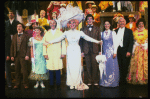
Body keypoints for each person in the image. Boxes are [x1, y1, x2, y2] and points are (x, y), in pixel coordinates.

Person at [43, 19, 101, 90]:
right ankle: (71, 83)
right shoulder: (66, 33)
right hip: (70, 50)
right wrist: (48, 42)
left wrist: (97, 41)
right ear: (69, 25)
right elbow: (58, 39)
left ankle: (76, 83)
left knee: (77, 66)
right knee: (70, 67)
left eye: (74, 23)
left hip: (77, 50)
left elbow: (88, 38)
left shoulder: (80, 32)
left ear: (76, 24)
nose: (72, 24)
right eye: (71, 23)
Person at [43, 20, 66, 90]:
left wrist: (63, 53)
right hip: (49, 53)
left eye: (54, 23)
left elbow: (63, 43)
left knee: (57, 69)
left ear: (56, 24)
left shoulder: (60, 33)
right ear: (49, 24)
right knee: (50, 69)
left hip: (57, 52)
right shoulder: (46, 34)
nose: (52, 24)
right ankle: (51, 84)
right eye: (51, 23)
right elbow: (44, 44)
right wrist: (45, 53)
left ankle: (58, 84)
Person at [79, 14, 101, 86]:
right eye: (88, 19)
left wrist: (100, 51)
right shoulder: (82, 29)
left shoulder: (97, 29)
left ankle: (95, 80)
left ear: (93, 20)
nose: (89, 20)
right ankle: (89, 80)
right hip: (86, 50)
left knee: (95, 65)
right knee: (88, 66)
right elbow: (81, 41)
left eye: (90, 19)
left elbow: (99, 40)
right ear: (86, 21)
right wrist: (81, 51)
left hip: (95, 49)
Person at [127, 18, 148, 85]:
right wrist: (138, 45)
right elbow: (134, 42)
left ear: (144, 24)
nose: (141, 25)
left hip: (145, 50)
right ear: (137, 25)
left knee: (144, 64)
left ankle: (144, 79)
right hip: (137, 49)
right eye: (139, 24)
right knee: (136, 64)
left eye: (142, 24)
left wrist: (144, 45)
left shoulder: (147, 32)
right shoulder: (135, 32)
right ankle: (137, 80)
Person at [10, 23, 30, 89]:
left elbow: (28, 47)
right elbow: (12, 46)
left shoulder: (26, 36)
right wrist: (12, 55)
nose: (18, 27)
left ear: (23, 28)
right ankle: (17, 83)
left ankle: (25, 84)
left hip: (23, 55)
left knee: (24, 71)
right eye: (17, 26)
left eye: (20, 26)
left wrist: (27, 54)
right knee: (17, 70)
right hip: (16, 56)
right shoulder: (14, 36)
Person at [100, 20, 119, 87]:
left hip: (111, 53)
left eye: (108, 24)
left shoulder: (113, 33)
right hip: (104, 53)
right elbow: (101, 44)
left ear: (110, 25)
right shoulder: (101, 33)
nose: (106, 25)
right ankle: (105, 81)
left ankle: (112, 82)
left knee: (111, 67)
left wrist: (115, 52)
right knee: (105, 67)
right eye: (105, 24)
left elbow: (116, 43)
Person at [115, 18, 134, 85]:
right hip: (118, 51)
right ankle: (120, 80)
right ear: (118, 23)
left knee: (125, 66)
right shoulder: (115, 31)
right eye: (120, 21)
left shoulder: (129, 31)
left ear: (125, 23)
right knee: (118, 65)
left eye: (123, 21)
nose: (122, 23)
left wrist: (129, 51)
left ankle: (124, 80)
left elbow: (131, 42)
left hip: (126, 51)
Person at [5, 10, 20, 89]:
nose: (10, 14)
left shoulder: (17, 22)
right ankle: (9, 82)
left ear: (14, 15)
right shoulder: (6, 22)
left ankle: (18, 82)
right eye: (9, 13)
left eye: (11, 13)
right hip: (7, 40)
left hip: (14, 39)